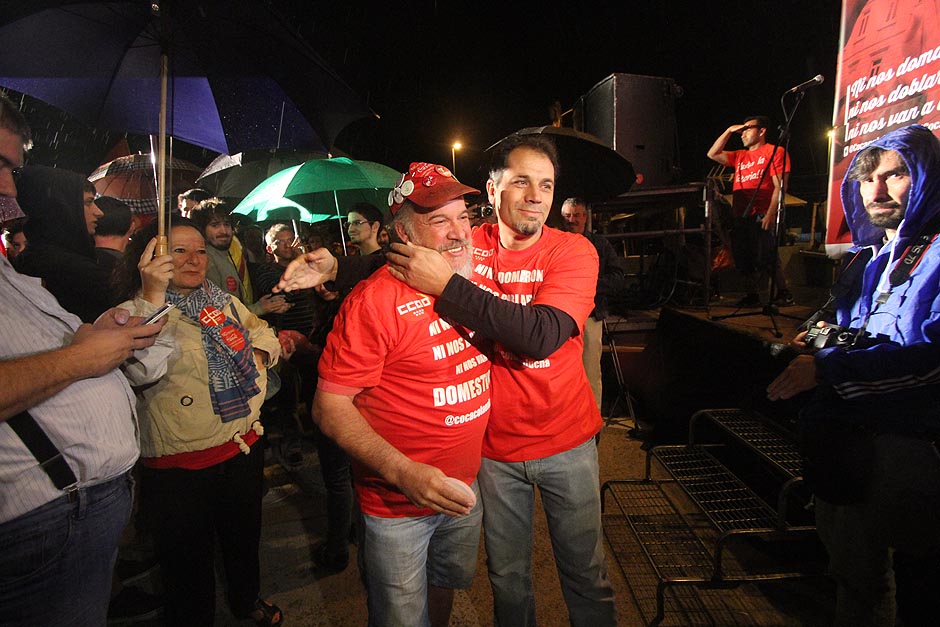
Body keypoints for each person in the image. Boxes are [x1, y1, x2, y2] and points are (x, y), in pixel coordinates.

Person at [276, 138, 617, 626]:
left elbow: (540, 336)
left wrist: (448, 288)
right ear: (494, 189)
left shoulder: (572, 250)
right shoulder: (472, 245)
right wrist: (339, 263)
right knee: (508, 578)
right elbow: (415, 247)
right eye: (521, 181)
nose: (535, 196)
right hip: (494, 453)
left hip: (567, 441)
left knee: (586, 573)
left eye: (546, 185)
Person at [0, 93, 166, 627]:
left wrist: (91, 335)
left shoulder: (17, 275)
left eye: (13, 170)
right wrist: (85, 358)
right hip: (41, 524)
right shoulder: (62, 265)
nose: (9, 188)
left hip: (75, 515)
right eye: (2, 167)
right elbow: (72, 361)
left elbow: (59, 345)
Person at [767, 124, 940, 627]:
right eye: (868, 179)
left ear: (927, 176)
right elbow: (834, 327)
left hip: (910, 447)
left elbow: (932, 360)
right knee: (855, 580)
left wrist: (825, 369)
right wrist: (817, 341)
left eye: (896, 174)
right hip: (847, 442)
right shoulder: (868, 260)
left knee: (919, 582)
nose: (877, 190)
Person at [314, 162, 487, 627]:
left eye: (464, 216)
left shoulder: (471, 279)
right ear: (404, 233)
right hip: (398, 507)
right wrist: (404, 473)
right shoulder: (373, 301)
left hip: (464, 490)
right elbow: (329, 408)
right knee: (400, 617)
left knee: (444, 588)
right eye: (439, 220)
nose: (458, 232)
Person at [114, 218, 284, 626]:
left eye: (201, 251)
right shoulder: (130, 313)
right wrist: (154, 298)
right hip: (180, 467)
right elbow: (141, 372)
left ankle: (246, 600)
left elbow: (263, 333)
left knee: (243, 541)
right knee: (187, 565)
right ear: (152, 259)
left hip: (242, 445)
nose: (194, 261)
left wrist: (256, 358)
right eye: (179, 251)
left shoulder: (221, 302)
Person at [707, 115, 794, 307]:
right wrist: (729, 130)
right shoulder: (740, 156)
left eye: (748, 129)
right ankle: (752, 295)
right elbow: (713, 154)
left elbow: (780, 186)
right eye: (742, 130)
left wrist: (771, 213)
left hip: (762, 212)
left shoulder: (775, 152)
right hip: (741, 213)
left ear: (761, 131)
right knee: (743, 256)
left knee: (768, 254)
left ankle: (784, 292)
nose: (743, 133)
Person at [15, 167, 115, 322]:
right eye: (88, 202)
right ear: (63, 208)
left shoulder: (25, 260)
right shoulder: (78, 271)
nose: (99, 212)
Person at [561, 197, 626, 410]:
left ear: (585, 217)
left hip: (590, 318)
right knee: (561, 376)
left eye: (576, 215)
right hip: (561, 320)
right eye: (568, 216)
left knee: (590, 373)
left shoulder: (600, 244)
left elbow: (618, 278)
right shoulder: (554, 243)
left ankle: (592, 426)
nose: (572, 220)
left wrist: (586, 284)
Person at [189, 198, 289, 318]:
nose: (224, 230)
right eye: (215, 225)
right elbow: (216, 315)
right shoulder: (206, 260)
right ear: (201, 229)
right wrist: (259, 308)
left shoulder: (225, 254)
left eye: (227, 224)